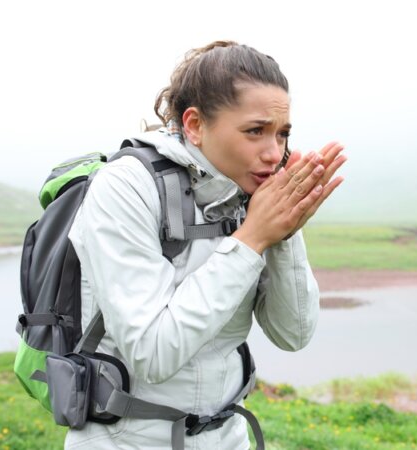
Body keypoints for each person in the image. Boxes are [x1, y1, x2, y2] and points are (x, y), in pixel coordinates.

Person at [65, 40, 346, 449]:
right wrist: (252, 238)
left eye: (283, 134)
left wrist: (284, 232)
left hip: (228, 437)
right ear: (195, 125)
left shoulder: (254, 192)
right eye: (255, 131)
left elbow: (294, 334)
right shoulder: (125, 187)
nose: (275, 153)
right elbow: (151, 354)